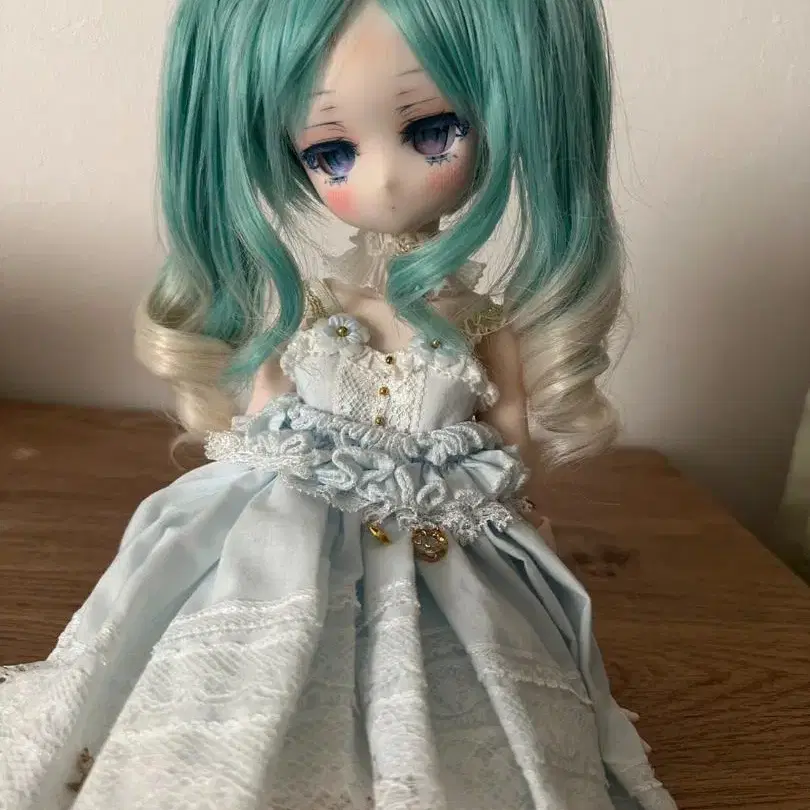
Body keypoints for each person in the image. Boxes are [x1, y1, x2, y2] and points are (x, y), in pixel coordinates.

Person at [0, 1, 677, 808]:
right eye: (331, 152)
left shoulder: (483, 326)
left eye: (433, 132)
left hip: (438, 527)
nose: (383, 179)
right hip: (298, 510)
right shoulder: (317, 309)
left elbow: (509, 435)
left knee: (466, 694)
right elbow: (264, 413)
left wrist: (514, 514)